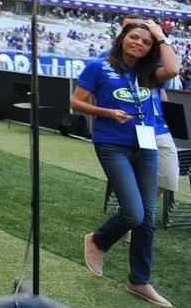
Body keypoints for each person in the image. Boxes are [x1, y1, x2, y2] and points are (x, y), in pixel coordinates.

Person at [73, 19, 178, 307]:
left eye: (146, 42)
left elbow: (173, 69)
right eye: (135, 38)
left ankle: (138, 281)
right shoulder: (99, 66)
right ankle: (98, 241)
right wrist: (106, 112)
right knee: (133, 214)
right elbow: (76, 102)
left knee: (148, 219)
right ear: (122, 38)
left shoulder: (147, 73)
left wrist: (161, 36)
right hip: (112, 145)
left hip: (146, 145)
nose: (140, 44)